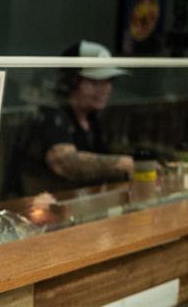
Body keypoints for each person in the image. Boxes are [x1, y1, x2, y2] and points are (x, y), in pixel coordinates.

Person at [16, 41, 134, 195]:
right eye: (94, 82)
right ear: (70, 82)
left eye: (108, 81)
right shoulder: (51, 114)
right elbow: (65, 162)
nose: (105, 89)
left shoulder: (91, 117)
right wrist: (123, 163)